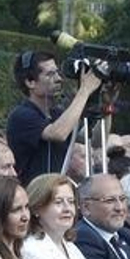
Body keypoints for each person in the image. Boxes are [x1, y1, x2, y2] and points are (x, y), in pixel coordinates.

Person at [6, 50, 103, 184]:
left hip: (55, 195)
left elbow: (95, 140)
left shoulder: (57, 114)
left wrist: (107, 106)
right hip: (33, 197)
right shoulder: (21, 115)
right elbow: (58, 133)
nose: (59, 79)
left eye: (57, 72)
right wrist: (84, 90)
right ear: (30, 82)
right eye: (50, 74)